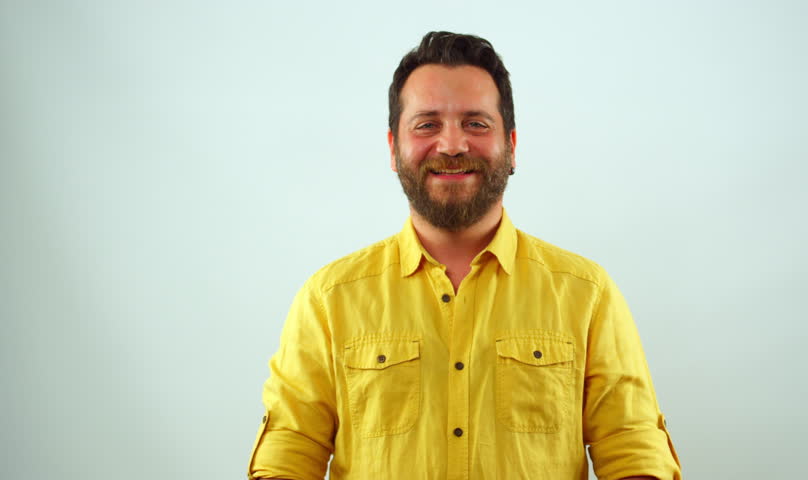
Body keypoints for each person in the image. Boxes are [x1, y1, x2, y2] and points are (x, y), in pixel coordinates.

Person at [247, 31, 681, 480]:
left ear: (511, 146)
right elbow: (289, 453)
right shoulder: (328, 299)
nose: (452, 146)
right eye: (427, 124)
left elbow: (633, 449)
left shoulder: (587, 294)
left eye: (475, 123)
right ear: (393, 149)